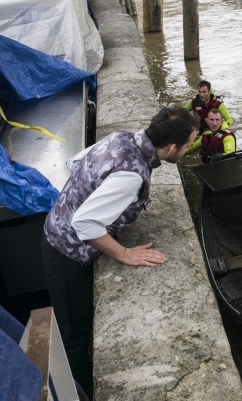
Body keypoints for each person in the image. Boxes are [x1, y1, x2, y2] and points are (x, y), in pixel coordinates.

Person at [41, 105, 198, 398]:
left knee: (78, 324)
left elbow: (76, 162)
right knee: (74, 334)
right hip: (66, 254)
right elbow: (84, 223)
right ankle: (80, 392)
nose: (188, 151)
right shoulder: (132, 176)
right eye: (188, 146)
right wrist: (125, 254)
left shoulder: (122, 138)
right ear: (172, 147)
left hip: (55, 232)